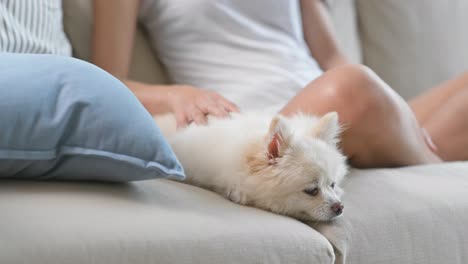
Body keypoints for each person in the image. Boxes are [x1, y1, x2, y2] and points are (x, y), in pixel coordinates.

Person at [92, 0, 468, 168]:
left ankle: (404, 143)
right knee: (349, 86)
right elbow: (105, 80)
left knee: (350, 84)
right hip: (274, 123)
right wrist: (177, 94)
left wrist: (395, 111)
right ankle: (428, 165)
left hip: (340, 108)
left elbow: (333, 59)